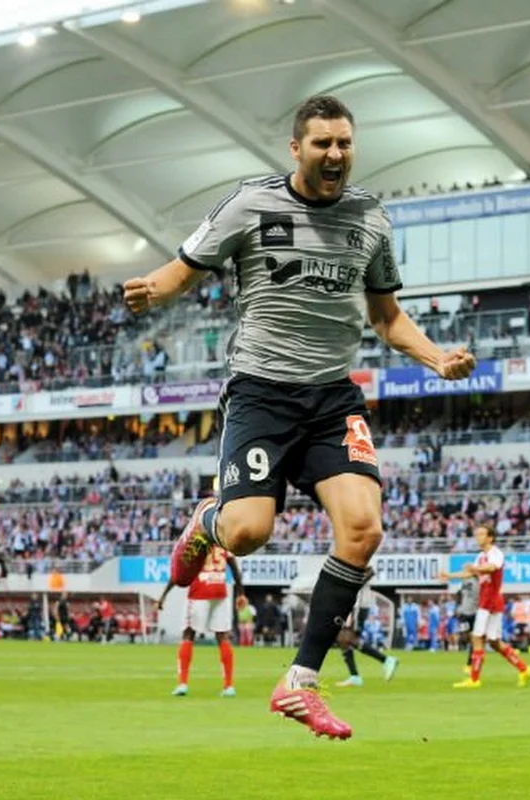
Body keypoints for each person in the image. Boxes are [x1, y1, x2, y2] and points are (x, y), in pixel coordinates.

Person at [123, 94, 476, 740]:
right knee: (249, 532)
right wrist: (155, 288)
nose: (336, 154)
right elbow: (183, 268)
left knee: (364, 529)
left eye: (345, 143)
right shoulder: (251, 205)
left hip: (331, 397)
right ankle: (208, 520)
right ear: (296, 149)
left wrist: (436, 360)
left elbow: (387, 318)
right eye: (323, 144)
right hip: (260, 392)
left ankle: (299, 683)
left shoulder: (369, 218)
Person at [440, 524, 530, 690]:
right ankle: (525, 669)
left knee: (477, 637)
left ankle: (474, 679)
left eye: (482, 534)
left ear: (490, 537)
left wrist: (475, 568)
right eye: (476, 534)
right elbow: (471, 573)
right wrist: (450, 576)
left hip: (490, 601)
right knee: (494, 642)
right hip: (488, 600)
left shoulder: (496, 554)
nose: (478, 537)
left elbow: (492, 568)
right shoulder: (480, 556)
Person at [158, 546, 243, 698]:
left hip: (200, 591)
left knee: (188, 634)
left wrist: (164, 594)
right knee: (223, 636)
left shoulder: (196, 544)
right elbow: (235, 567)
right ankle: (229, 686)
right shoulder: (222, 542)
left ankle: (182, 684)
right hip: (220, 591)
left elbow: (178, 574)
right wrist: (241, 593)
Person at [336, 571, 399, 687]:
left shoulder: (357, 557)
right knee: (343, 639)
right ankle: (355, 676)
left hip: (358, 602)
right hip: (353, 601)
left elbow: (369, 571)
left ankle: (386, 660)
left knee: (347, 637)